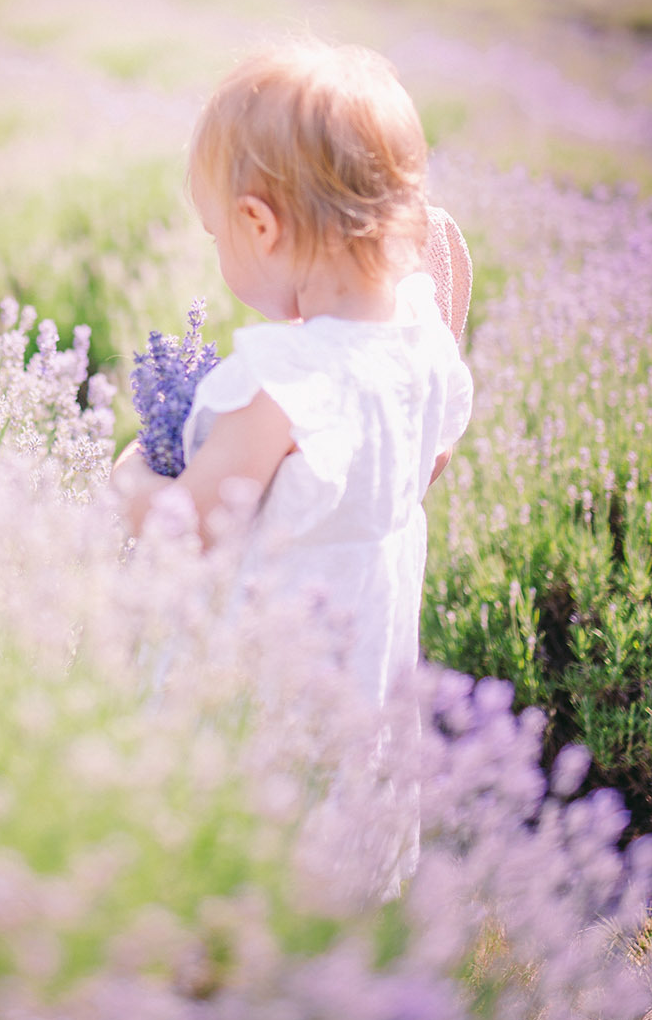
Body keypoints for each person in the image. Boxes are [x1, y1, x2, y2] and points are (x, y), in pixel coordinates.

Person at [112, 36, 474, 715]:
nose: (219, 249)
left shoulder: (283, 384)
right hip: (366, 668)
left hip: (268, 678)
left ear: (258, 223)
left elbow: (185, 529)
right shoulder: (421, 339)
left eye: (216, 234)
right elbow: (431, 458)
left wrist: (128, 471)